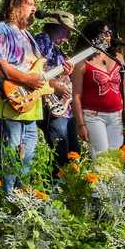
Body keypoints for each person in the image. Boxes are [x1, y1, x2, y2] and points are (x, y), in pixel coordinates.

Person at [0, 0, 72, 191]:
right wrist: (27, 79)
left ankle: (18, 213)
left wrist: (63, 73)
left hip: (30, 108)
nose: (35, 8)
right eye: (31, 4)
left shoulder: (28, 36)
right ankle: (2, 213)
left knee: (25, 167)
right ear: (15, 5)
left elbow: (39, 74)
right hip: (8, 105)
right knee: (8, 165)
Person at [70, 20, 125, 157]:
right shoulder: (81, 61)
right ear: (93, 36)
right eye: (104, 33)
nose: (109, 36)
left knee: (116, 159)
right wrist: (81, 125)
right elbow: (76, 96)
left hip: (117, 116)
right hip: (93, 117)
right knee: (101, 159)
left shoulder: (118, 58)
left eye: (109, 32)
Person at [34, 10, 79, 167]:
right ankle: (59, 188)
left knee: (74, 153)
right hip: (52, 107)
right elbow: (35, 71)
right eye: (67, 32)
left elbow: (60, 77)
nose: (67, 38)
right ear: (56, 27)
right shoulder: (42, 40)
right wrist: (54, 84)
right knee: (60, 154)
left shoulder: (58, 50)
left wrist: (66, 75)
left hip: (64, 109)